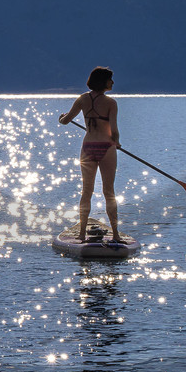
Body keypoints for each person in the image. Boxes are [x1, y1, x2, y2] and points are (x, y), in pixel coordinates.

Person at [58, 66, 123, 243]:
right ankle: (116, 235)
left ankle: (81, 234)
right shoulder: (111, 103)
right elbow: (114, 130)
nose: (113, 82)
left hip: (88, 147)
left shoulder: (82, 99)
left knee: (87, 191)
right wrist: (116, 142)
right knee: (109, 192)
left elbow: (65, 121)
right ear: (103, 81)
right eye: (110, 79)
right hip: (106, 148)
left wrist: (62, 117)